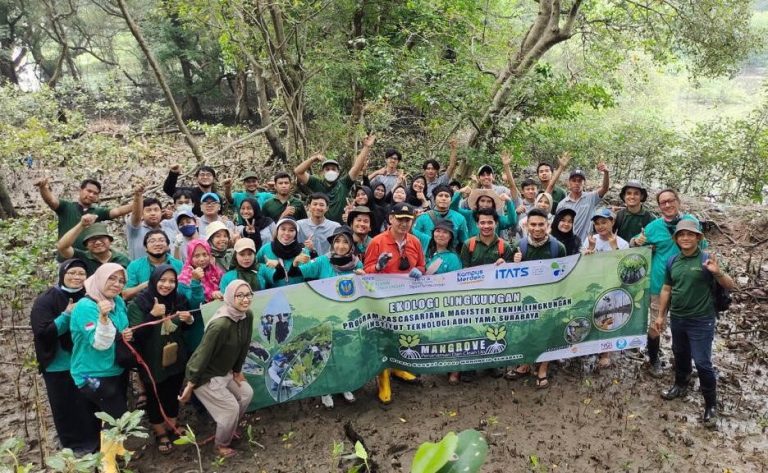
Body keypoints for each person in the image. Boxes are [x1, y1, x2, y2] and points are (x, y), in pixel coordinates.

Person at [655, 220, 736, 428]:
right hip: (678, 318)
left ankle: (711, 404)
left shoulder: (707, 259)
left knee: (702, 362)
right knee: (680, 354)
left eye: (690, 234)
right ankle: (680, 385)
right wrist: (661, 315)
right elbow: (666, 288)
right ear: (676, 239)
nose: (685, 238)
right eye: (681, 235)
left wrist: (717, 272)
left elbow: (730, 285)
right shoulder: (673, 260)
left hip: (702, 319)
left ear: (698, 237)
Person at [630, 189, 705, 377]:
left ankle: (683, 363)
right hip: (658, 283)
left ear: (678, 201)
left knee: (684, 325)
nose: (667, 205)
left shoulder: (690, 221)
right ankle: (653, 358)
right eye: (663, 202)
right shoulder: (654, 226)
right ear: (659, 206)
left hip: (686, 285)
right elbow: (634, 245)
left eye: (671, 201)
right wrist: (635, 242)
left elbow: (703, 249)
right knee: (657, 323)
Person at [30, 259, 100, 454]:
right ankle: (73, 446)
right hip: (58, 364)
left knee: (89, 403)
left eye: (81, 274)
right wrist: (66, 314)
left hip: (86, 362)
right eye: (72, 273)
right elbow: (43, 332)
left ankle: (94, 443)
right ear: (62, 274)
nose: (77, 277)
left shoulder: (91, 296)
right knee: (65, 406)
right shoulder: (46, 300)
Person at [127, 265, 199, 454]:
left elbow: (184, 329)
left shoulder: (179, 299)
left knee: (173, 389)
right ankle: (160, 432)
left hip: (176, 356)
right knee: (154, 394)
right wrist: (153, 315)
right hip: (151, 360)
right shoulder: (139, 304)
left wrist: (189, 320)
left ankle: (172, 424)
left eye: (172, 281)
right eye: (163, 280)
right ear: (154, 281)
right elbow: (137, 336)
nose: (167, 285)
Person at [179, 280, 254, 458]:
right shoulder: (220, 324)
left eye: (248, 295)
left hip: (225, 372)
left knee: (246, 394)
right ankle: (221, 445)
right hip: (205, 375)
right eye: (240, 296)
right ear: (229, 297)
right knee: (230, 409)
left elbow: (244, 344)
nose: (245, 300)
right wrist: (190, 385)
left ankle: (229, 427)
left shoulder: (246, 316)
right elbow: (202, 355)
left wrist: (237, 371)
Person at [363, 203, 426, 404]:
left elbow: (422, 265)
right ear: (391, 219)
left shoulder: (415, 242)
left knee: (402, 334)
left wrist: (420, 272)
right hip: (382, 301)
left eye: (407, 220)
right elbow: (366, 272)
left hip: (406, 300)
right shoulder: (377, 242)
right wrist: (378, 266)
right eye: (400, 219)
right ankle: (383, 379)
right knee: (383, 337)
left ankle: (398, 368)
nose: (403, 223)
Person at [69, 263, 133, 455]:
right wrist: (103, 319)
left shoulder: (117, 302)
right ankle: (107, 460)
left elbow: (120, 329)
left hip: (114, 368)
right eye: (111, 278)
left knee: (113, 412)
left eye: (121, 280)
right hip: (91, 373)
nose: (116, 284)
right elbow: (99, 343)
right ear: (99, 279)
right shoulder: (86, 307)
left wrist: (125, 334)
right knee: (116, 414)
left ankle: (118, 448)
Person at [294, 226, 361, 408]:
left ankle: (344, 385)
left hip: (345, 316)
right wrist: (297, 262)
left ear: (351, 245)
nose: (340, 246)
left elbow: (365, 290)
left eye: (345, 242)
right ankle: (325, 389)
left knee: (343, 352)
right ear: (332, 244)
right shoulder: (323, 261)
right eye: (337, 241)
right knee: (323, 352)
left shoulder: (357, 264)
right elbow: (299, 271)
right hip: (323, 315)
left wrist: (365, 277)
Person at [507, 208, 567, 386]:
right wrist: (514, 263)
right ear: (527, 225)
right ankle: (526, 363)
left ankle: (542, 368)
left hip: (549, 299)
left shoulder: (558, 247)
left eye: (541, 224)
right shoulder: (519, 246)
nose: (537, 228)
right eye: (533, 224)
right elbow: (510, 277)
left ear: (548, 225)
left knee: (546, 333)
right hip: (526, 300)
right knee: (527, 332)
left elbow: (564, 275)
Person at [455, 208, 515, 383]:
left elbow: (512, 274)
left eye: (490, 222)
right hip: (473, 296)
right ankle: (469, 367)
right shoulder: (469, 245)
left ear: (496, 223)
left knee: (494, 328)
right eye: (482, 222)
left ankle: (492, 363)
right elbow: (463, 272)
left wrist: (505, 264)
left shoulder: (504, 246)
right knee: (472, 330)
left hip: (496, 297)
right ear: (477, 224)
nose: (486, 226)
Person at [582, 208, 629, 369]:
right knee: (593, 315)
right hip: (593, 285)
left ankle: (606, 352)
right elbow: (583, 265)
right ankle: (591, 347)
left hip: (613, 287)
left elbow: (624, 268)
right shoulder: (590, 239)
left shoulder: (622, 243)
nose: (600, 226)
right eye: (597, 224)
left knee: (610, 317)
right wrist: (590, 250)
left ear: (612, 222)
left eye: (604, 222)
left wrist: (614, 246)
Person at [34, 177, 133, 251]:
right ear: (80, 190)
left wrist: (139, 201)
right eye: (89, 191)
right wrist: (43, 188)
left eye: (95, 193)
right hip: (67, 258)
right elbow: (50, 200)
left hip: (89, 259)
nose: (91, 195)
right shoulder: (66, 207)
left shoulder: (97, 212)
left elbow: (118, 211)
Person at [294, 135, 375, 223]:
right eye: (327, 169)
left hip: (340, 229)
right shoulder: (316, 183)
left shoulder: (344, 183)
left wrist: (366, 147)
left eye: (333, 169)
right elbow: (298, 172)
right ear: (322, 172)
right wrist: (313, 159)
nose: (330, 171)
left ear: (338, 172)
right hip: (321, 226)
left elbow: (356, 167)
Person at [549, 153, 610, 242]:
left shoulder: (591, 198)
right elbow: (557, 225)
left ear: (584, 183)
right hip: (567, 244)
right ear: (569, 183)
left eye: (580, 181)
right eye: (574, 180)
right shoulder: (562, 204)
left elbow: (605, 188)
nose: (577, 183)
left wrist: (606, 172)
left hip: (586, 244)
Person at [56, 215, 130, 275]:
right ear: (86, 245)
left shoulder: (122, 260)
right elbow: (62, 247)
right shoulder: (81, 257)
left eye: (101, 238)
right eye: (93, 239)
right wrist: (81, 225)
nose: (98, 242)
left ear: (110, 241)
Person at [123, 229, 184, 300]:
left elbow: (184, 290)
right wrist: (146, 285)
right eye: (152, 241)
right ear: (145, 248)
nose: (157, 244)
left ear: (168, 246)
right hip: (144, 306)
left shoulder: (178, 264)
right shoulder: (135, 265)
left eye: (161, 240)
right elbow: (125, 295)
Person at [412, 185, 468, 253]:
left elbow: (464, 242)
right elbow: (414, 240)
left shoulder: (460, 218)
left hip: (450, 258)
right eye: (440, 195)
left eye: (447, 196)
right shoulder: (423, 217)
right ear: (434, 199)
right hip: (427, 258)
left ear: (451, 200)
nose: (443, 198)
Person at [256, 218, 311, 287]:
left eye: (291, 230)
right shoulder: (265, 249)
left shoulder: (303, 251)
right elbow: (255, 266)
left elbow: (309, 273)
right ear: (277, 231)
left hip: (298, 292)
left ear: (296, 233)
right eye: (283, 229)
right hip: (272, 294)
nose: (287, 233)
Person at [451, 187, 516, 238]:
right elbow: (453, 210)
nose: (485, 204)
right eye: (482, 201)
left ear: (493, 204)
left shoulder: (497, 218)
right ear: (477, 203)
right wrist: (459, 192)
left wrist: (509, 201)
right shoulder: (470, 215)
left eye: (489, 201)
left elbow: (511, 221)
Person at [126, 194, 167, 260]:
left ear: (161, 212)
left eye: (156, 210)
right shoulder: (135, 229)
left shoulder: (167, 228)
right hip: (139, 270)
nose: (153, 213)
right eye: (148, 210)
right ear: (142, 214)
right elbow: (135, 216)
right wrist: (138, 195)